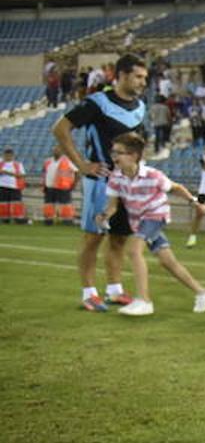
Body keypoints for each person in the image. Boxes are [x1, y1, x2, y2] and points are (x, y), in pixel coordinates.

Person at [52, 53, 148, 312]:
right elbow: (60, 129)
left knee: (118, 238)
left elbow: (140, 145)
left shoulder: (141, 106)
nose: (143, 82)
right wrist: (81, 164)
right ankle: (88, 293)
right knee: (93, 237)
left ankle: (114, 291)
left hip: (126, 185)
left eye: (145, 77)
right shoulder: (97, 102)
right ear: (123, 75)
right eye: (138, 76)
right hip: (100, 182)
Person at [97, 133, 205, 317]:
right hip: (139, 222)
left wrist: (195, 202)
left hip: (155, 215)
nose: (115, 157)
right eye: (114, 152)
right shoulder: (115, 178)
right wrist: (104, 215)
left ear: (134, 155)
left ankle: (144, 301)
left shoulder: (153, 175)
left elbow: (175, 188)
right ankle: (202, 292)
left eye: (120, 152)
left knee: (134, 250)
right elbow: (113, 206)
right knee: (168, 262)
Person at [42, 148, 77, 225]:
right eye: (55, 150)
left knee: (66, 204)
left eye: (58, 150)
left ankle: (67, 220)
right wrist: (44, 184)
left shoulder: (67, 161)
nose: (56, 151)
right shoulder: (47, 161)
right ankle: (48, 220)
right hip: (49, 187)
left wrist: (74, 184)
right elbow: (44, 173)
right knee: (49, 204)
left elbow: (76, 172)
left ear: (62, 151)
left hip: (63, 187)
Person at [0, 148, 27, 224]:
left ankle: (17, 218)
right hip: (2, 186)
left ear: (13, 156)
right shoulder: (1, 163)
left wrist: (7, 172)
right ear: (4, 155)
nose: (8, 156)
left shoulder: (18, 164)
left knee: (16, 203)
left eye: (9, 155)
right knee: (3, 204)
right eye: (6, 155)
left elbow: (22, 175)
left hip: (14, 186)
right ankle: (4, 219)